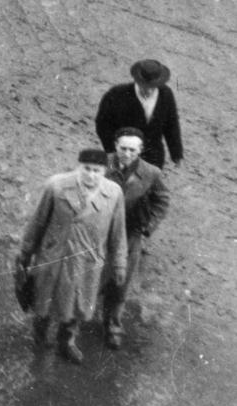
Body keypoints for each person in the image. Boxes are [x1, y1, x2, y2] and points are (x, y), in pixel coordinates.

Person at [15, 146, 127, 363]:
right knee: (44, 301)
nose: (91, 175)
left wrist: (120, 264)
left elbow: (119, 232)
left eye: (97, 170)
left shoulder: (113, 194)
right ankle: (40, 333)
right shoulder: (56, 186)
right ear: (78, 167)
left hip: (87, 260)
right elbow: (37, 222)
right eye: (87, 169)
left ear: (104, 171)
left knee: (77, 305)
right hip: (54, 256)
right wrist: (25, 253)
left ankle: (67, 342)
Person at [96, 57, 183, 170]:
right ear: (137, 80)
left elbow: (172, 125)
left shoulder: (166, 94)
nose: (149, 90)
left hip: (153, 157)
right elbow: (102, 125)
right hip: (124, 154)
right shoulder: (116, 95)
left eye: (153, 86)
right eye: (145, 86)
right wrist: (112, 151)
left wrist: (176, 154)